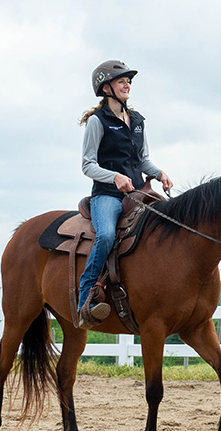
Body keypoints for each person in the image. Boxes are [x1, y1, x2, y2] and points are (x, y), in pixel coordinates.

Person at [75, 60, 173, 328]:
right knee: (106, 235)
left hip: (138, 193)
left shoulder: (138, 121)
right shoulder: (98, 121)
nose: (127, 84)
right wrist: (114, 177)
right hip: (107, 195)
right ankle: (85, 300)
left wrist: (159, 172)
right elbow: (87, 165)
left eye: (128, 81)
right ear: (106, 88)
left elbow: (143, 160)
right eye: (121, 81)